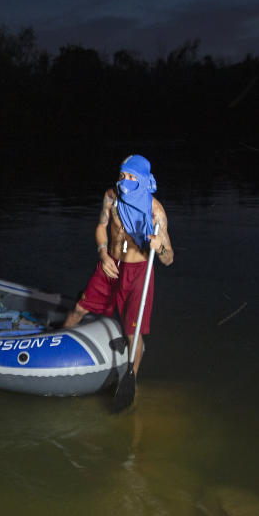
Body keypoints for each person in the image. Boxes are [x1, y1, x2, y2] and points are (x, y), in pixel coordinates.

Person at [63, 155, 174, 377]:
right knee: (78, 309)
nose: (125, 181)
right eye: (122, 175)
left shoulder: (156, 212)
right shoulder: (112, 197)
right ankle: (58, 343)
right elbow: (101, 226)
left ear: (142, 179)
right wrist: (103, 254)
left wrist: (160, 247)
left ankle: (131, 379)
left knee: (132, 331)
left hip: (138, 272)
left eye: (131, 176)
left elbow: (168, 258)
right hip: (110, 265)